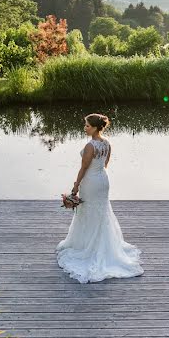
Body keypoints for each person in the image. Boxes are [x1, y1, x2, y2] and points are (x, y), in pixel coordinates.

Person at [56, 113, 143, 283]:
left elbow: (83, 169)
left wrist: (75, 187)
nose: (85, 128)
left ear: (95, 127)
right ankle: (104, 246)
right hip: (103, 180)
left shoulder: (90, 146)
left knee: (88, 211)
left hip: (91, 182)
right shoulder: (107, 143)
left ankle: (89, 247)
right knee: (101, 212)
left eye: (87, 125)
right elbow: (105, 164)